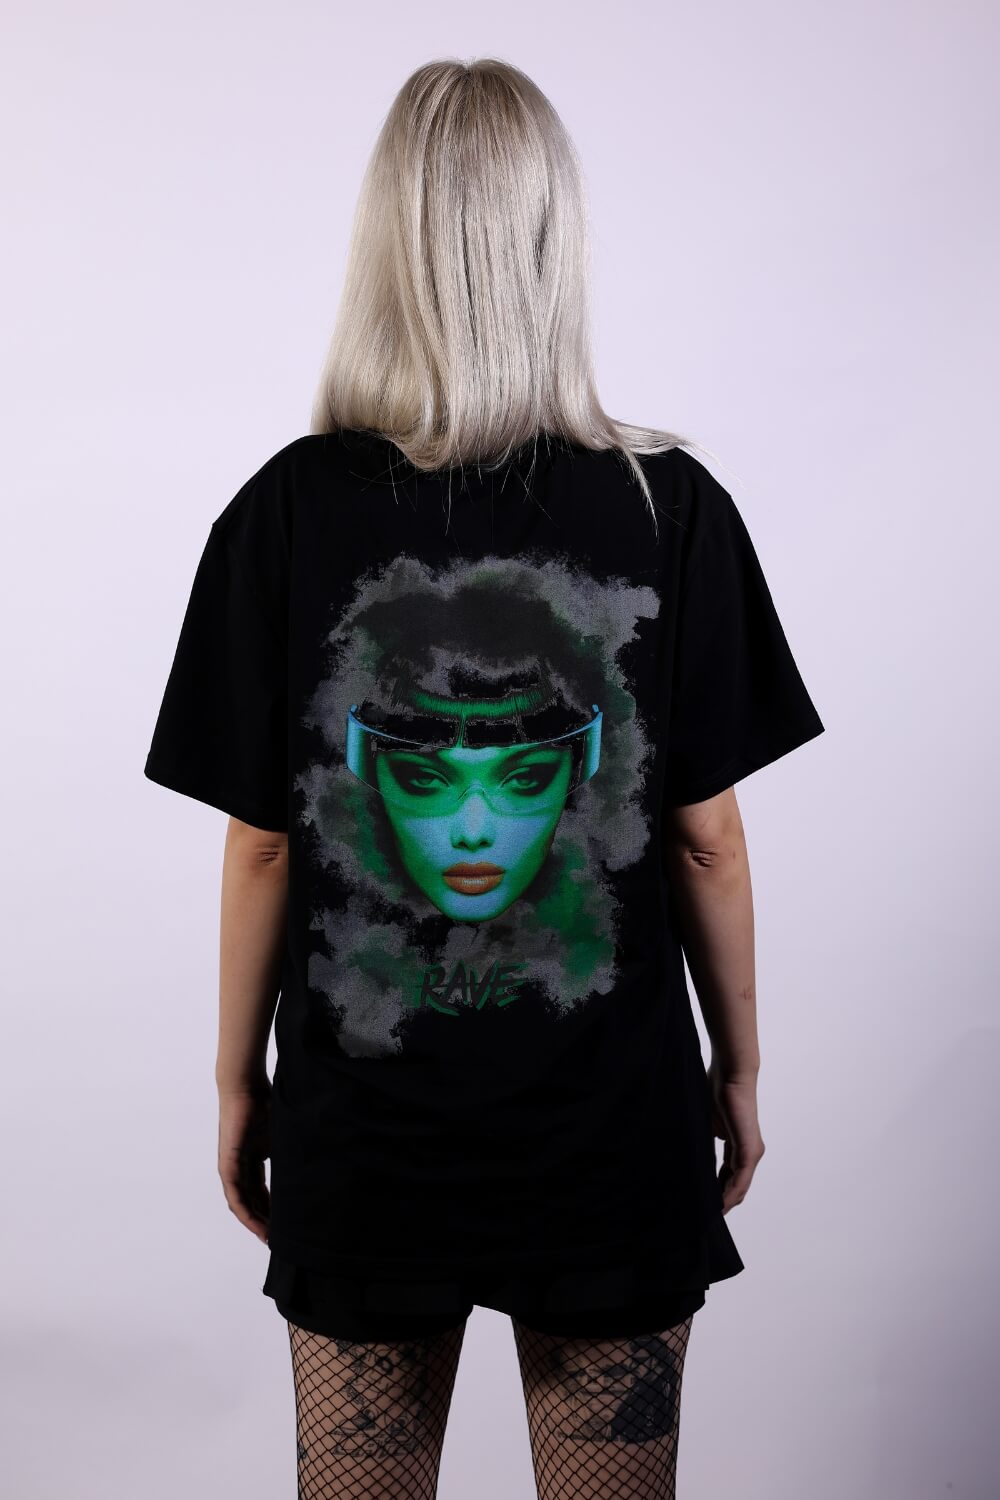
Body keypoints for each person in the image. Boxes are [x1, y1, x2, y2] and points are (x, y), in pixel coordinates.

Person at [144, 56, 825, 1500]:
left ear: (387, 243)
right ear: (551, 244)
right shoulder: (668, 506)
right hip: (613, 1144)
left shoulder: (284, 510)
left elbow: (261, 848)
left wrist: (236, 1082)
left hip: (364, 1149)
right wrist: (741, 1070)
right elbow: (708, 840)